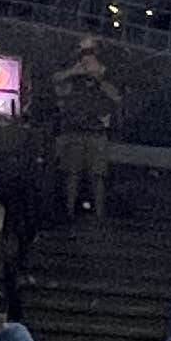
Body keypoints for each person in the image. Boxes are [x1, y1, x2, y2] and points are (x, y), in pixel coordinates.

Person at [50, 39, 124, 219]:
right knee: (72, 174)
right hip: (73, 130)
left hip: (97, 132)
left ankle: (99, 216)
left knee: (97, 176)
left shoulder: (107, 77)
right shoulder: (73, 77)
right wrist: (75, 71)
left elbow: (117, 97)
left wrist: (99, 77)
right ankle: (68, 214)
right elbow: (56, 81)